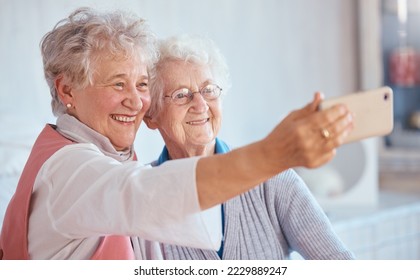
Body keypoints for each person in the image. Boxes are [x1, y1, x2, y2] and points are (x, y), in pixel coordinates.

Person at [0, 7, 353, 260]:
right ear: (67, 91)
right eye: (117, 83)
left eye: (140, 84)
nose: (134, 100)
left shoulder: (274, 184)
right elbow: (143, 194)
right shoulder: (73, 169)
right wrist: (275, 152)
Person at [144, 34, 355, 260]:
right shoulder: (141, 197)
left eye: (208, 90)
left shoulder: (273, 179)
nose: (200, 104)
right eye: (181, 95)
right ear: (152, 115)